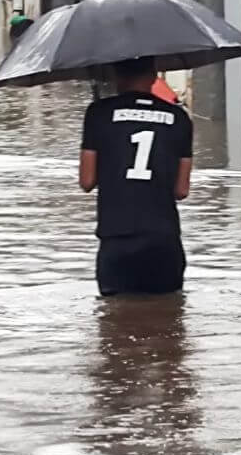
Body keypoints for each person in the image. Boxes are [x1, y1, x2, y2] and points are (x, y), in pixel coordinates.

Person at [79, 57, 193, 296]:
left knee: (115, 323)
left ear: (116, 76)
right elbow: (181, 190)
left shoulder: (98, 113)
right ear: (154, 76)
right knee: (168, 320)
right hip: (164, 238)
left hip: (117, 237)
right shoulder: (179, 118)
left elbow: (87, 181)